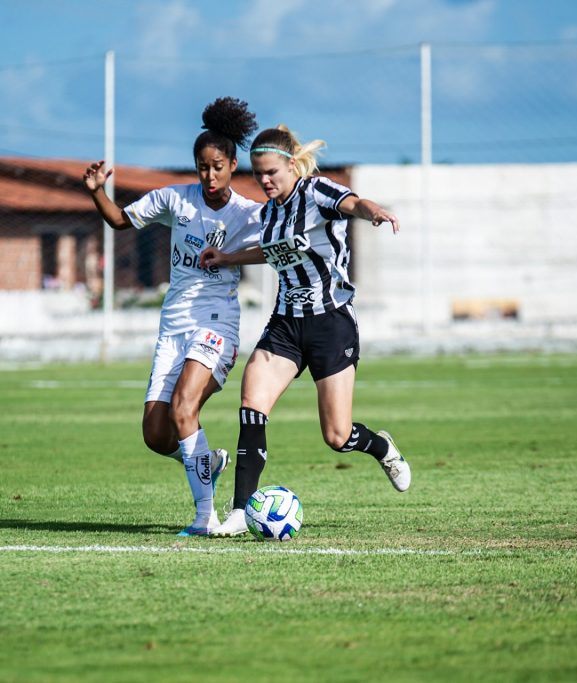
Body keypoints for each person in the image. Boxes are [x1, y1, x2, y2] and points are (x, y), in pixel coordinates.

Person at [199, 125, 412, 537]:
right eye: (258, 174)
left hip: (331, 323)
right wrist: (228, 257)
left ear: (292, 166)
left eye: (271, 173)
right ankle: (242, 510)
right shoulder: (272, 210)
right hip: (285, 323)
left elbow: (353, 203)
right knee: (251, 403)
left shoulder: (316, 192)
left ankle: (382, 447)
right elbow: (273, 249)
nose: (264, 181)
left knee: (337, 435)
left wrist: (374, 212)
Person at [83, 97, 265, 536]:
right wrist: (96, 192)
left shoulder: (248, 213)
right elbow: (120, 221)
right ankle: (206, 461)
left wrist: (229, 257)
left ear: (233, 165)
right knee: (156, 435)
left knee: (184, 408)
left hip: (217, 323)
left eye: (218, 166)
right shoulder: (175, 200)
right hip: (173, 328)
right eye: (202, 166)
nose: (210, 175)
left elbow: (272, 250)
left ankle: (206, 517)